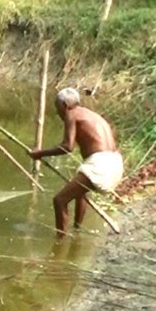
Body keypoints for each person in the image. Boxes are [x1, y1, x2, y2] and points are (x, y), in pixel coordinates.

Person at [28, 88, 123, 239]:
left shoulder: (71, 114)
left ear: (65, 105)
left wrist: (40, 153)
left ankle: (60, 241)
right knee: (80, 193)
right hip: (115, 163)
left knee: (59, 200)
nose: (58, 113)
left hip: (100, 164)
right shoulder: (91, 114)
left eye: (58, 108)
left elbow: (67, 147)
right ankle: (77, 231)